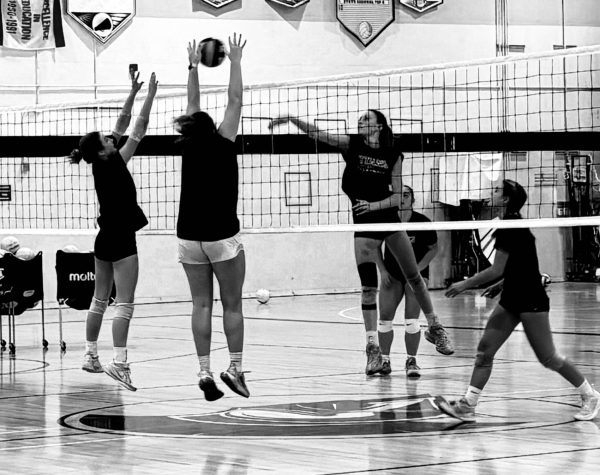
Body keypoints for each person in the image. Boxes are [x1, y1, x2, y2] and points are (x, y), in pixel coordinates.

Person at [270, 110, 453, 376]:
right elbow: (320, 135)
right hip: (365, 227)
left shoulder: (393, 153)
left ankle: (435, 328)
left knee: (415, 278)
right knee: (369, 289)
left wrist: (373, 205)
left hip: (388, 221)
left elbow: (397, 195)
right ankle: (372, 349)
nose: (360, 122)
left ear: (379, 125)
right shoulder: (352, 145)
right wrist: (290, 119)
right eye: (360, 120)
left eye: (366, 119)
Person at [436, 179, 600, 422]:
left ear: (505, 200)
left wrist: (464, 284)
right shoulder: (509, 224)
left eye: (496, 191)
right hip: (511, 297)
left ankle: (590, 395)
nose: (491, 194)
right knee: (484, 352)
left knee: (549, 358)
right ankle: (468, 404)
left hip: (530, 299)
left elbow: (497, 268)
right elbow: (521, 263)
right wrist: (500, 285)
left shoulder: (511, 226)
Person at [71, 71, 158, 391]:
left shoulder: (99, 161)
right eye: (108, 139)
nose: (112, 136)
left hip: (104, 238)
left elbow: (121, 124)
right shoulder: (116, 160)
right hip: (121, 240)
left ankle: (90, 355)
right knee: (125, 303)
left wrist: (132, 91)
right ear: (105, 149)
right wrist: (149, 95)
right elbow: (138, 128)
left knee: (98, 300)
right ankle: (120, 362)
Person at [175, 34, 248, 401]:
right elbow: (234, 100)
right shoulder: (224, 142)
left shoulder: (187, 145)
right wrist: (234, 60)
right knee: (231, 303)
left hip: (188, 236)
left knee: (200, 305)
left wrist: (192, 66)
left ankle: (203, 370)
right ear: (213, 125)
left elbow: (192, 103)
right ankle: (234, 368)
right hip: (221, 234)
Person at [378, 185, 438, 378]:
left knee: (412, 321)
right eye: (400, 194)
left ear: (412, 199)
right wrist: (382, 270)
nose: (403, 198)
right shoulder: (387, 219)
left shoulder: (422, 222)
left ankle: (411, 361)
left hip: (416, 278)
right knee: (384, 320)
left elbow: (433, 249)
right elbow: (374, 247)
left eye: (406, 195)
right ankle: (384, 360)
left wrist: (417, 270)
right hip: (393, 276)